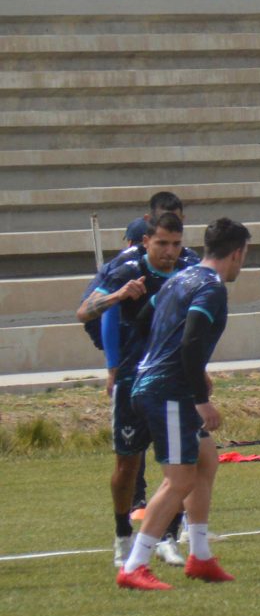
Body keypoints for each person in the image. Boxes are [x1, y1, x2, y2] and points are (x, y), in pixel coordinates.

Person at [115, 218, 253, 590]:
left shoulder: (178, 279)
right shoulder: (211, 287)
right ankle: (134, 566)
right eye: (244, 256)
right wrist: (201, 399)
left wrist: (164, 360)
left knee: (206, 460)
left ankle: (201, 556)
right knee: (179, 479)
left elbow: (142, 320)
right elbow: (191, 341)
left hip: (155, 383)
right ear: (236, 253)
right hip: (169, 391)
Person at [76, 210, 196, 568]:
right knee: (127, 464)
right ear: (146, 241)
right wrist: (118, 296)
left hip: (173, 379)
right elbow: (84, 312)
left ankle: (168, 537)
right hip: (132, 379)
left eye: (176, 244)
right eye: (162, 243)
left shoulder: (188, 271)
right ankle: (122, 535)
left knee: (181, 464)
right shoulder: (127, 271)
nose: (170, 251)